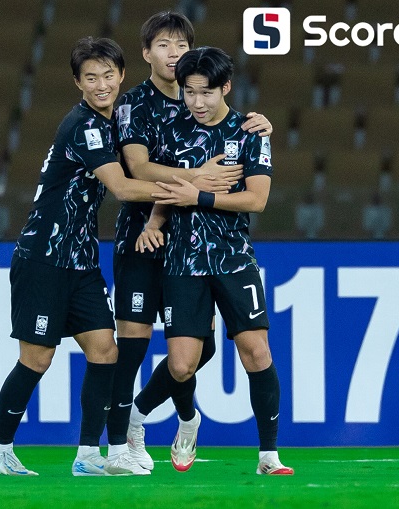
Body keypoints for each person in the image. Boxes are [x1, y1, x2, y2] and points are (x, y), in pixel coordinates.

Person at [0, 37, 166, 477]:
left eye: (108, 75)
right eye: (91, 78)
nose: (101, 85)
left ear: (121, 75)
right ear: (77, 83)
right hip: (44, 255)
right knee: (37, 358)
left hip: (81, 259)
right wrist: (190, 188)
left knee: (105, 351)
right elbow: (121, 188)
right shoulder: (83, 125)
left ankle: (87, 456)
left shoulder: (113, 123)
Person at [109, 11, 273, 472]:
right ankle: (122, 439)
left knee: (205, 350)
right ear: (146, 53)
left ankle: (186, 421)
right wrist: (197, 181)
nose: (174, 51)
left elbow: (249, 177)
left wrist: (255, 128)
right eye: (163, 44)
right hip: (146, 237)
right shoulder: (136, 106)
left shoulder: (212, 107)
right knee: (138, 343)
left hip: (202, 244)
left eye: (181, 43)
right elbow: (139, 170)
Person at [139, 46, 293, 475]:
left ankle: (268, 455)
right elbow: (166, 188)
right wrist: (155, 221)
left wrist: (200, 196)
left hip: (232, 258)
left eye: (206, 92)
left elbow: (257, 199)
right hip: (183, 261)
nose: (198, 102)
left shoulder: (250, 132)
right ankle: (138, 417)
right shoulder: (170, 132)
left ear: (225, 87)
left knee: (256, 351)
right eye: (189, 92)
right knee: (182, 363)